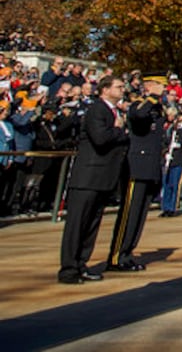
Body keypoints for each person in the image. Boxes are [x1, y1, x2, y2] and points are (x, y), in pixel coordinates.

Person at [57, 74, 128, 283]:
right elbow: (100, 138)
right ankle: (68, 268)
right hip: (88, 176)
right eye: (119, 86)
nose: (122, 89)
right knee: (77, 225)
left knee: (91, 225)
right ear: (105, 89)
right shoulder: (97, 109)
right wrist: (118, 130)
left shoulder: (113, 111)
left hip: (102, 177)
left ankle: (81, 264)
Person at [105, 75, 168, 271]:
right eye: (160, 85)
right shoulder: (140, 105)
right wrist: (151, 98)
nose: (163, 89)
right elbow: (138, 116)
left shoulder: (157, 108)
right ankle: (117, 256)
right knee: (129, 214)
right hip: (136, 166)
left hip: (150, 166)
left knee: (139, 215)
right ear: (149, 86)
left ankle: (128, 252)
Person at [160, 107, 182, 216]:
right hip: (169, 158)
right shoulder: (173, 127)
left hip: (180, 158)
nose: (179, 117)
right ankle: (165, 207)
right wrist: (165, 152)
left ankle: (172, 208)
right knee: (166, 183)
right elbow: (165, 141)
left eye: (181, 115)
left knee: (175, 184)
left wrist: (181, 146)